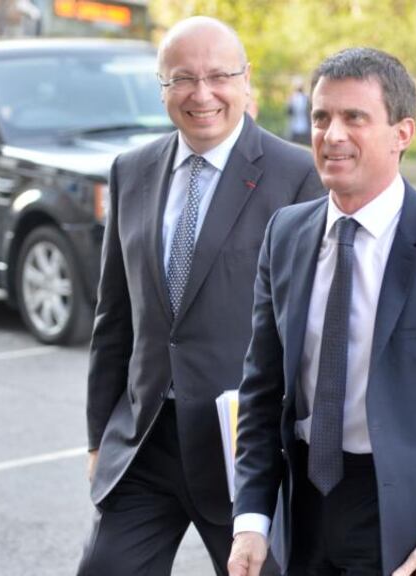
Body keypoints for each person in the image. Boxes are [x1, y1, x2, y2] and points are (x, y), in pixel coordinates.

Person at [227, 47, 416, 576]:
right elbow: (261, 389)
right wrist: (251, 517)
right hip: (305, 513)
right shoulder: (286, 233)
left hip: (408, 529)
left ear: (402, 133)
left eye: (354, 118)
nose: (332, 134)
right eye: (321, 117)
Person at [80, 16, 323, 576]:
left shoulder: (297, 178)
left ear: (246, 81)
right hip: (145, 444)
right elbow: (114, 318)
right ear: (162, 86)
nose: (202, 93)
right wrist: (98, 438)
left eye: (218, 75)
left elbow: (314, 333)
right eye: (183, 78)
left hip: (244, 449)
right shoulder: (130, 171)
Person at [285, 77, 310, 145]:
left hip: (303, 127)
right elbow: (289, 112)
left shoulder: (305, 98)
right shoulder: (293, 98)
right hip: (295, 127)